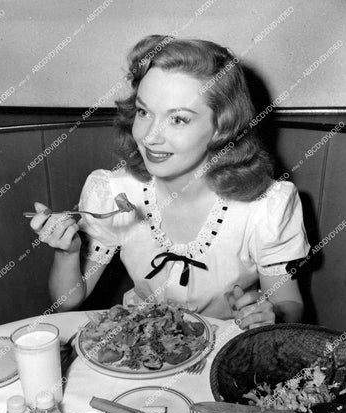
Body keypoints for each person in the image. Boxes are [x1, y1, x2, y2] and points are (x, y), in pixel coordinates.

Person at [30, 35, 309, 329]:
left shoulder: (267, 204)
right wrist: (67, 252)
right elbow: (68, 301)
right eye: (143, 112)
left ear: (222, 127)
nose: (150, 136)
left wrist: (271, 315)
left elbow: (289, 304)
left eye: (178, 119)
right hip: (138, 345)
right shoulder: (114, 192)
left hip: (227, 349)